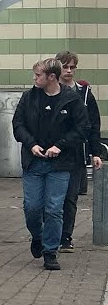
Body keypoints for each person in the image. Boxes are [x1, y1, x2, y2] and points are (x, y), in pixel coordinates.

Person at [12, 57, 89, 271]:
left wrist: (60, 146)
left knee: (54, 208)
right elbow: (18, 124)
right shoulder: (28, 98)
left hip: (60, 164)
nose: (34, 79)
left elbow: (82, 128)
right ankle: (38, 236)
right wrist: (31, 144)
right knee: (32, 207)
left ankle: (50, 251)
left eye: (38, 75)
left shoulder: (71, 100)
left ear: (51, 77)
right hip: (34, 162)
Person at [55, 51, 104, 252]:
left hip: (77, 152)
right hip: (54, 151)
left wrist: (96, 152)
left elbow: (93, 124)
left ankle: (65, 236)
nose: (68, 71)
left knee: (71, 196)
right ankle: (51, 234)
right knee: (53, 197)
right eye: (65, 67)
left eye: (72, 67)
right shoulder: (49, 90)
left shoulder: (83, 93)